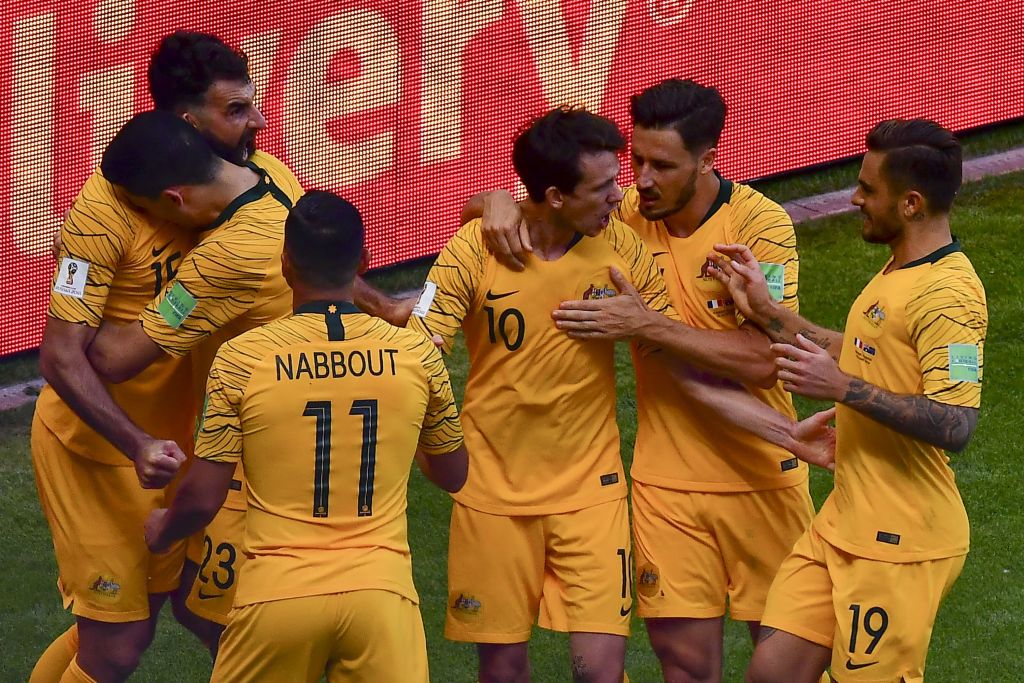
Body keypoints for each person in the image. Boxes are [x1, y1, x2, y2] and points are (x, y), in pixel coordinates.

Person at [357, 106, 835, 683]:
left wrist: (786, 433)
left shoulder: (622, 250)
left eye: (633, 172)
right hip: (490, 494)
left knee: (600, 673)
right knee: (503, 671)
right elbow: (419, 345)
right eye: (611, 181)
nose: (626, 191)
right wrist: (434, 440)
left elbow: (680, 371)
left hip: (593, 494)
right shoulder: (474, 249)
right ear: (556, 197)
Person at [474, 79, 816, 681]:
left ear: (708, 158)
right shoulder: (621, 214)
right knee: (684, 670)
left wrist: (645, 323)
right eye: (636, 160)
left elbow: (766, 358)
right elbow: (524, 209)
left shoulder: (758, 225)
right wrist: (496, 199)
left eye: (662, 164)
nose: (642, 179)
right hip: (666, 487)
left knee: (788, 667)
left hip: (764, 476)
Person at [30, 32, 293, 681]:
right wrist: (136, 441)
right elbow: (63, 357)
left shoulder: (261, 180)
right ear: (187, 120)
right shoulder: (100, 214)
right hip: (102, 453)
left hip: (189, 450)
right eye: (235, 109)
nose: (256, 120)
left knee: (212, 615)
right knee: (118, 642)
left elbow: (315, 252)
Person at [143, 190, 468, 682]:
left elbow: (203, 499)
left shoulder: (241, 359)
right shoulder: (415, 354)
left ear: (285, 262)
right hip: (381, 599)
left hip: (277, 598)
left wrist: (164, 531)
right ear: (363, 261)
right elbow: (453, 473)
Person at [710, 119, 986, 682]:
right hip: (842, 523)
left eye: (867, 188)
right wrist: (767, 312)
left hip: (901, 543)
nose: (855, 198)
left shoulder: (950, 295)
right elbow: (856, 348)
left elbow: (957, 423)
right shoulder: (900, 272)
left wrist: (842, 389)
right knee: (772, 674)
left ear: (910, 204)